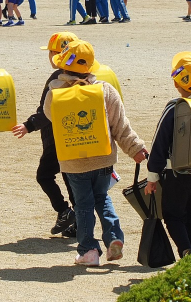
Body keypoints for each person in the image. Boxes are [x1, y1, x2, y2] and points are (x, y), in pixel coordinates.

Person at [43, 40, 148, 266]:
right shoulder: (105, 90)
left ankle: (88, 250)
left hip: (73, 160)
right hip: (103, 158)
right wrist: (135, 148)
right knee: (102, 198)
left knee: (83, 205)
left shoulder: (55, 93)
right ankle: (114, 237)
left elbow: (49, 115)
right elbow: (120, 126)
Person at [144, 52, 191, 259]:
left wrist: (152, 176)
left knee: (173, 216)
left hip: (176, 174)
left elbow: (160, 143)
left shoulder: (175, 108)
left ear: (176, 83)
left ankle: (187, 251)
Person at [12, 32, 80, 237]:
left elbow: (47, 112)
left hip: (57, 139)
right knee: (72, 178)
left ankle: (64, 211)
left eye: (50, 52)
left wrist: (29, 125)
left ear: (57, 55)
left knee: (44, 175)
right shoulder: (85, 75)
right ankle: (80, 221)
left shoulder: (57, 79)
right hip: (77, 138)